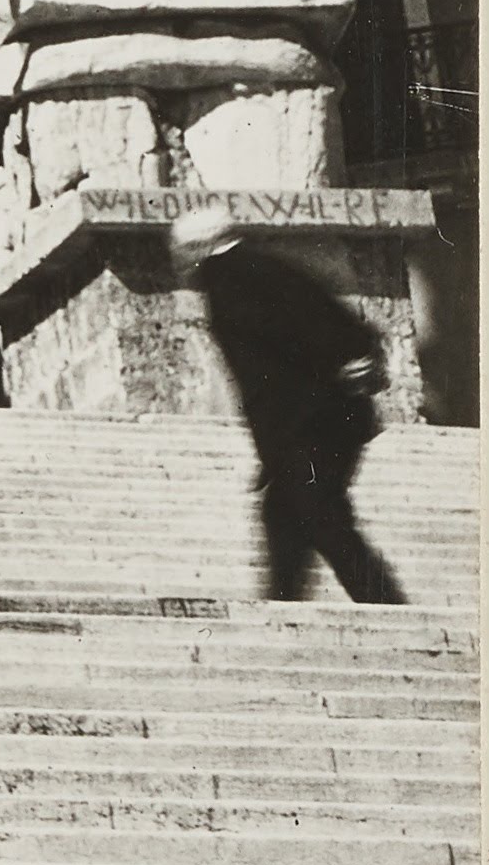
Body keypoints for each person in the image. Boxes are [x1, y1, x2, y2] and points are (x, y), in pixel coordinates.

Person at [169, 205, 404, 605]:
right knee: (283, 515)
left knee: (321, 517)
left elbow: (277, 370)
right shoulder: (264, 268)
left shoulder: (230, 282)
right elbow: (325, 326)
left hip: (311, 425)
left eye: (179, 251)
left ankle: (391, 611)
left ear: (198, 248)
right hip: (321, 421)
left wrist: (339, 372)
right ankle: (280, 613)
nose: (178, 262)